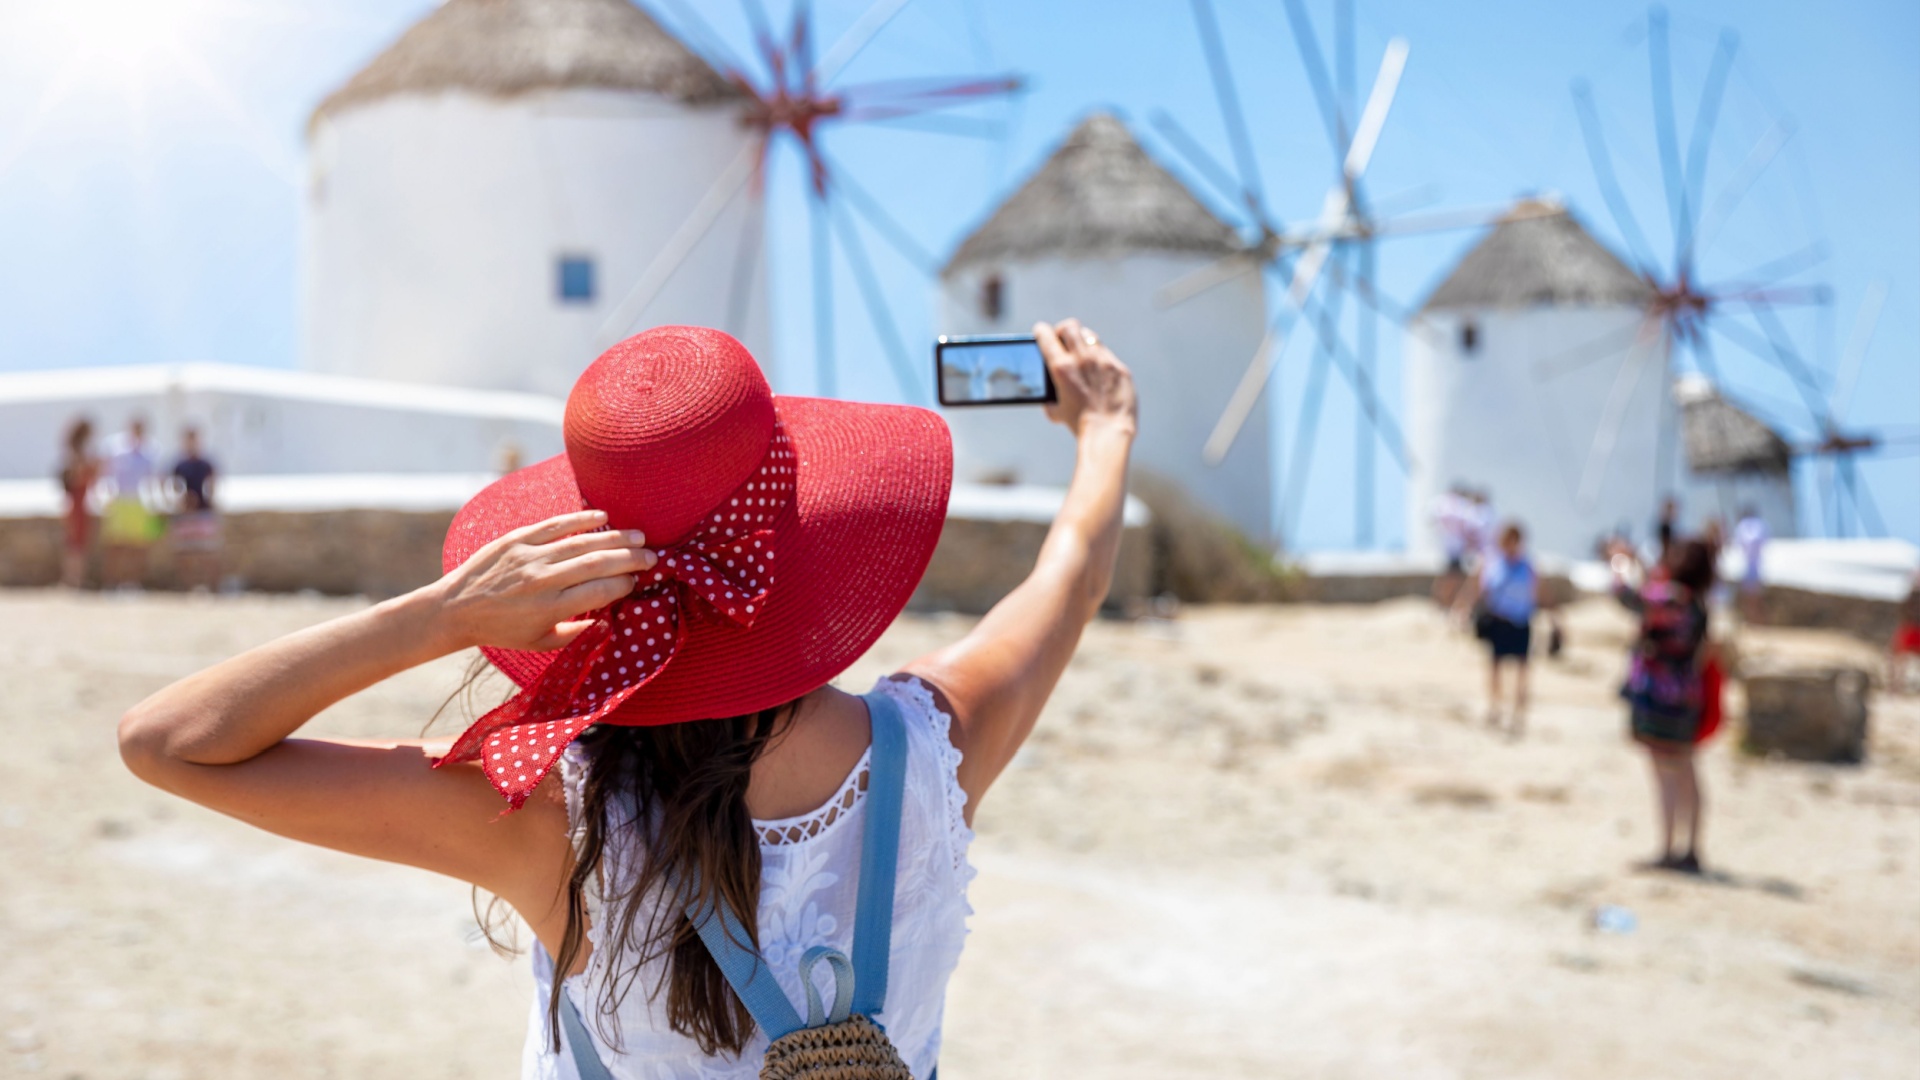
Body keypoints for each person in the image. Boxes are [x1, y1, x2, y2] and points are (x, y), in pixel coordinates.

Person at [119, 321, 1137, 1076]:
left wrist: (441, 617)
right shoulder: (932, 749)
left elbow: (169, 742)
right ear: (801, 546)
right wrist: (1103, 430)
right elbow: (1073, 574)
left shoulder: (551, 822)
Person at [1610, 536, 1718, 874]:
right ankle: (1692, 849)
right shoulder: (1698, 604)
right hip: (1687, 698)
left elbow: (1626, 596)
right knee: (1687, 770)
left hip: (1658, 698)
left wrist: (1618, 562)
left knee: (1664, 775)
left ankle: (1668, 850)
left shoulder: (1669, 597)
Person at [1461, 521, 1538, 738]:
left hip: (1521, 621)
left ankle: (1518, 712)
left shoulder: (1527, 565)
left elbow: (1537, 591)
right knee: (1495, 667)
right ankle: (1495, 707)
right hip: (1499, 620)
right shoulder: (1492, 562)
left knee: (1522, 670)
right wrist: (1465, 608)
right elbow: (1479, 587)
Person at [101, 417, 160, 590]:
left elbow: (153, 479)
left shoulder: (150, 451)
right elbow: (106, 475)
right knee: (116, 546)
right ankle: (112, 583)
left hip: (138, 502)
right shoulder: (116, 448)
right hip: (119, 501)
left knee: (138, 546)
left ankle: (133, 583)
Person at [169, 426, 222, 591]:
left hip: (203, 510)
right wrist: (182, 503)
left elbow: (212, 484)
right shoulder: (180, 464)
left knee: (207, 551)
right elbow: (174, 487)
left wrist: (211, 503)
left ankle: (209, 586)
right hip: (186, 513)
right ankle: (188, 586)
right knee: (185, 552)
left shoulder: (206, 463)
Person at [57, 417, 101, 588]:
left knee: (77, 543)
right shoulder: (77, 455)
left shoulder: (77, 453)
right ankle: (73, 579)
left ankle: (74, 578)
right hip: (77, 502)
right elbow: (77, 479)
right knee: (75, 543)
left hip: (80, 501)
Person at [1429, 483, 1475, 610]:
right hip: (1454, 549)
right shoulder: (1456, 505)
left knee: (1452, 577)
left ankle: (1444, 602)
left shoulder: (1442, 503)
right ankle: (1444, 602)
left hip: (1453, 548)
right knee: (1453, 578)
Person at [1732, 506, 1768, 625]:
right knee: (1751, 595)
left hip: (1752, 565)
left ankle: (1754, 619)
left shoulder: (1746, 526)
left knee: (1753, 595)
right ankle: (1752, 619)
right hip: (1751, 565)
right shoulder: (1757, 526)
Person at [1889, 570, 1920, 695]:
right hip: (1909, 628)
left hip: (1912, 628)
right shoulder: (1910, 597)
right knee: (1896, 659)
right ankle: (1895, 686)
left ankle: (1896, 686)